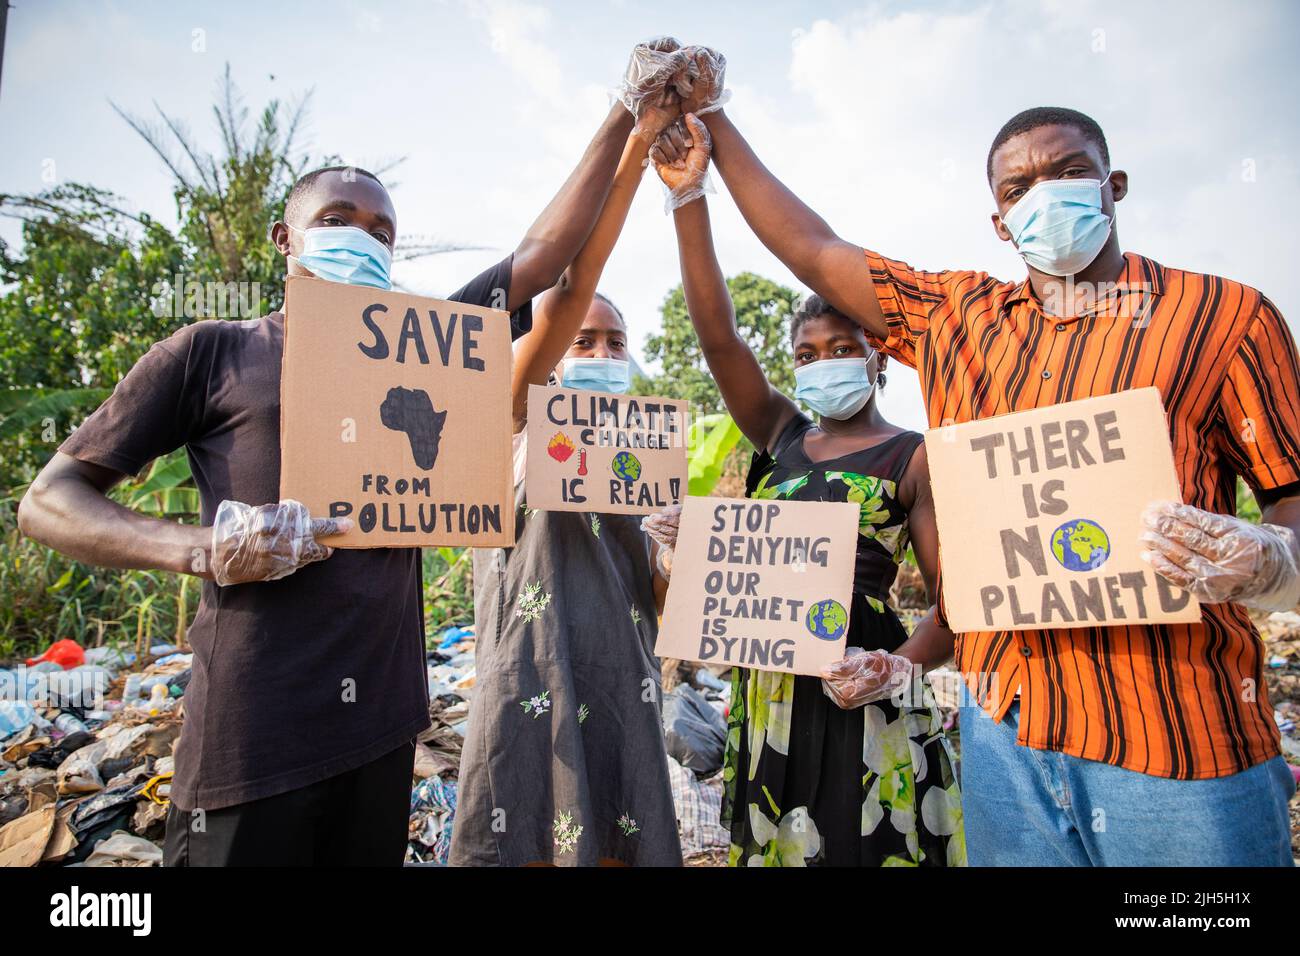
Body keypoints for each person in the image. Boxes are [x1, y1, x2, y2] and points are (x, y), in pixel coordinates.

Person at [16, 65, 660, 865]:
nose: (364, 239)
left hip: (381, 735)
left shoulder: (425, 353)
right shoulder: (214, 351)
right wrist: (202, 546)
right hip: (251, 740)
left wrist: (628, 112)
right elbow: (48, 501)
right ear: (287, 239)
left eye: (383, 232)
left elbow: (546, 256)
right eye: (339, 219)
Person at [654, 82, 1300, 866]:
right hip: (1009, 745)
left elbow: (1289, 507)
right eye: (1018, 188)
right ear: (999, 220)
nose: (1043, 196)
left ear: (1112, 184)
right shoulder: (957, 321)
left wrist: (1269, 559)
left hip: (1178, 739)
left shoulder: (1226, 319)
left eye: (1067, 171)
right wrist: (712, 122)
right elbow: (813, 249)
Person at [650, 112, 965, 867]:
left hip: (864, 680)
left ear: (876, 358)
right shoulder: (780, 435)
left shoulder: (914, 457)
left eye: (841, 348)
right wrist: (688, 198)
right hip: (772, 694)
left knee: (871, 847)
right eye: (806, 352)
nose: (823, 361)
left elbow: (959, 605)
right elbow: (718, 333)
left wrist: (896, 668)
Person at [450, 81, 684, 867]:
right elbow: (565, 289)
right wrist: (636, 135)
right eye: (584, 343)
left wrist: (679, 554)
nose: (602, 356)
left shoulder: (647, 453)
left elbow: (658, 595)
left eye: (616, 344)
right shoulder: (508, 417)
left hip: (624, 685)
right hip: (526, 682)